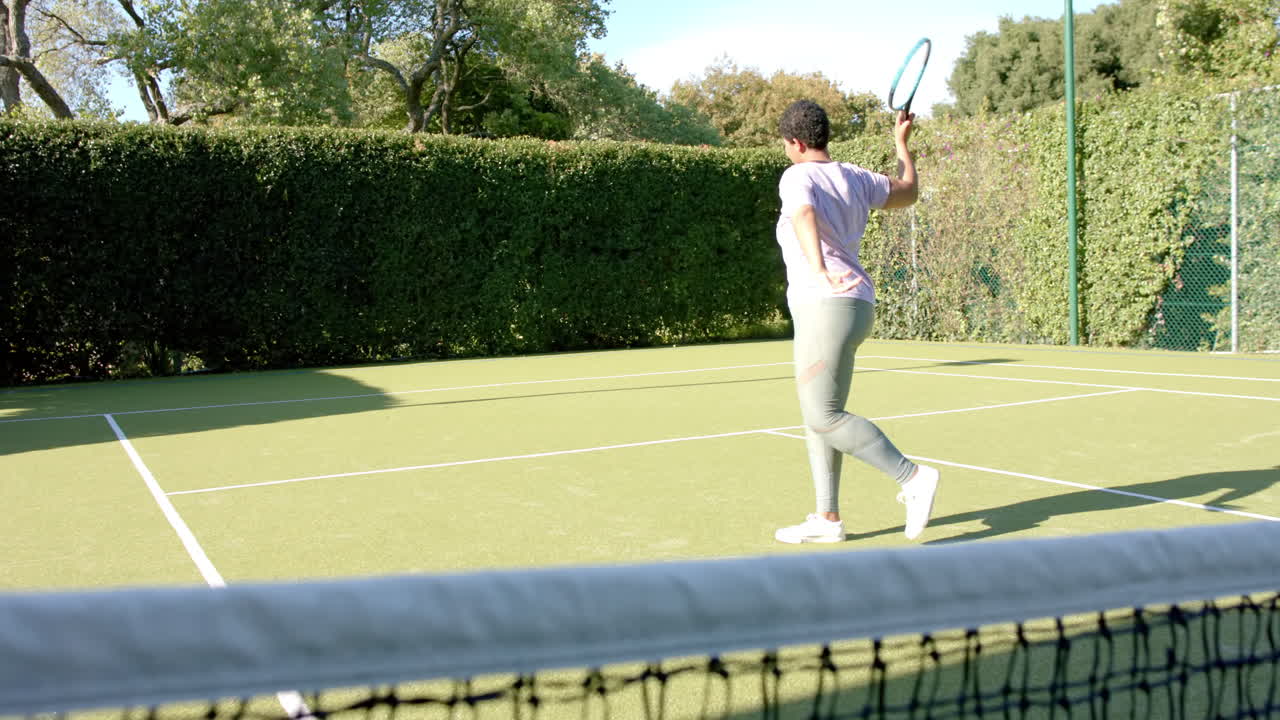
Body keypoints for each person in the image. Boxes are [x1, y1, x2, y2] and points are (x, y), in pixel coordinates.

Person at [772, 99, 939, 544]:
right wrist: (902, 145)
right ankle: (828, 519)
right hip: (852, 304)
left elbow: (804, 214)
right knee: (820, 414)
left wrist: (818, 266)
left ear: (797, 141)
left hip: (826, 301)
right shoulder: (857, 177)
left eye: (787, 145)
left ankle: (913, 478)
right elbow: (907, 191)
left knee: (822, 414)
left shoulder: (797, 175)